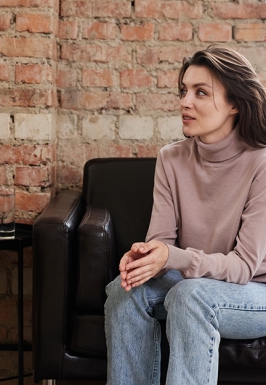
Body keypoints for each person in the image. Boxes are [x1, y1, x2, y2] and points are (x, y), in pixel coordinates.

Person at [104, 45, 266, 384]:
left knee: (190, 295)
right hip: (195, 284)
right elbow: (161, 242)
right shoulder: (171, 158)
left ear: (235, 103)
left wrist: (173, 257)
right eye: (183, 90)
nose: (185, 102)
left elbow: (242, 266)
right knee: (125, 288)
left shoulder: (261, 163)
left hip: (254, 290)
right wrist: (147, 256)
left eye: (200, 92)